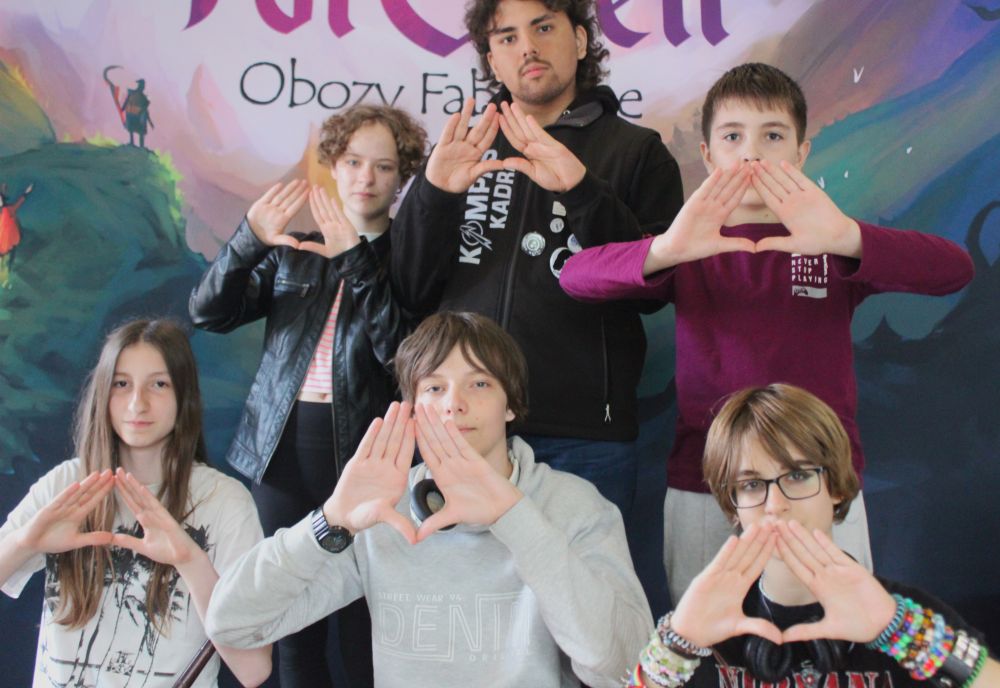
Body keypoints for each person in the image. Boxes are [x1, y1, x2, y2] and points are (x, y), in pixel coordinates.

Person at [558, 62, 975, 604]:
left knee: (838, 631)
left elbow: (954, 270)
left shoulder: (831, 238)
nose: (751, 155)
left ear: (801, 153)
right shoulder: (690, 244)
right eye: (732, 137)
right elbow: (576, 278)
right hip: (707, 482)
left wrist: (846, 237)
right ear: (708, 155)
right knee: (706, 638)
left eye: (772, 136)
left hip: (821, 483)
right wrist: (667, 249)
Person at [205, 311, 653, 688]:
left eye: (480, 384)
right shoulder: (385, 510)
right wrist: (331, 520)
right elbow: (231, 623)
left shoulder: (576, 506)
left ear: (511, 405)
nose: (453, 404)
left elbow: (625, 670)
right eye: (435, 388)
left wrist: (515, 518)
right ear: (412, 408)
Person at [389, 0, 684, 521]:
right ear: (492, 60)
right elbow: (410, 290)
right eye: (507, 38)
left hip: (583, 436)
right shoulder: (463, 149)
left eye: (543, 27)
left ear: (580, 40)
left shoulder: (637, 151)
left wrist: (582, 190)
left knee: (584, 575)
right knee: (455, 573)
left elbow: (654, 289)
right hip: (461, 428)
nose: (527, 47)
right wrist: (433, 194)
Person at [189, 104, 427, 687]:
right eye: (353, 162)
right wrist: (249, 239)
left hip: (369, 459)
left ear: (402, 177)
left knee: (365, 630)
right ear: (334, 165)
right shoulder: (294, 249)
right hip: (282, 455)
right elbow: (208, 312)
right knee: (294, 628)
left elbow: (404, 359)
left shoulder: (412, 259)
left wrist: (354, 258)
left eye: (383, 166)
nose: (365, 177)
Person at [625, 383, 997, 688]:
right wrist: (675, 646)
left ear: (835, 486)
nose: (775, 505)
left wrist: (901, 630)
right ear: (732, 504)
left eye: (798, 476)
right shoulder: (707, 620)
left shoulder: (901, 614)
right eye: (752, 484)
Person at [0, 319, 270, 687]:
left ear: (185, 395)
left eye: (159, 384)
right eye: (121, 384)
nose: (137, 404)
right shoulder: (67, 485)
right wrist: (25, 543)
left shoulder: (224, 502)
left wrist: (190, 560)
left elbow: (254, 669)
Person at [0, 182, 33, 289]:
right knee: (4, 264)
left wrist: (26, 193)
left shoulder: (9, 209)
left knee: (7, 263)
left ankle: (5, 281)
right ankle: (4, 281)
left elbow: (18, 203)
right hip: (3, 246)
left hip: (9, 244)